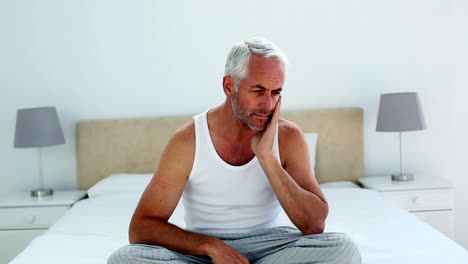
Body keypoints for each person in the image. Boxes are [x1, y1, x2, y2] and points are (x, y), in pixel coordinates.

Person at [108, 38, 361, 264]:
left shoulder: (288, 137)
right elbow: (141, 227)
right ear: (229, 86)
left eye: (276, 92)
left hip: (270, 249)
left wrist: (267, 158)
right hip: (203, 253)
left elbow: (314, 224)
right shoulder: (188, 140)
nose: (268, 104)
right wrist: (210, 246)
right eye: (259, 91)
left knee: (343, 249)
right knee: (123, 260)